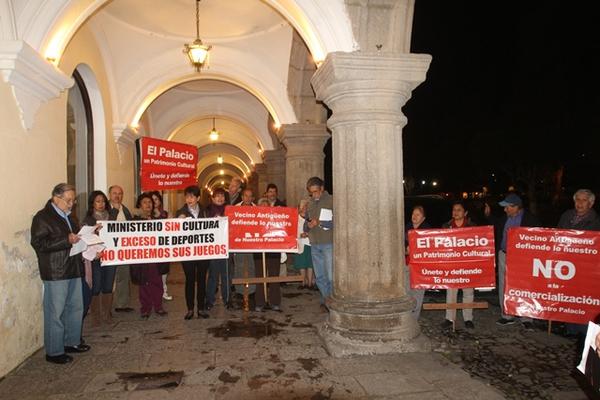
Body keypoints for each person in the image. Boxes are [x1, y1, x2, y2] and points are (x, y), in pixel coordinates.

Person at [30, 183, 90, 364]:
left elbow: (73, 240)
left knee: (75, 307)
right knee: (55, 312)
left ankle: (71, 341)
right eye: (68, 200)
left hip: (73, 268)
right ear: (56, 198)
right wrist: (66, 240)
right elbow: (39, 244)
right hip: (56, 271)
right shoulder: (43, 218)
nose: (72, 204)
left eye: (74, 200)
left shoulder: (69, 217)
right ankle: (54, 351)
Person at [489, 193, 540, 329]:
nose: (505, 210)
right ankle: (507, 315)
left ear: (516, 207)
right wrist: (488, 216)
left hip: (523, 258)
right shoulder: (503, 219)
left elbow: (538, 238)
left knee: (525, 286)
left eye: (507, 207)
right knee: (504, 285)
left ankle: (526, 317)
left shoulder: (530, 219)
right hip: (504, 255)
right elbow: (495, 229)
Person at [557, 189, 600, 338]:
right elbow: (557, 235)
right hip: (565, 263)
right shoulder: (566, 216)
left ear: (591, 203)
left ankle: (582, 328)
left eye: (583, 200)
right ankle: (569, 327)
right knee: (566, 294)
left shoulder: (596, 222)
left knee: (581, 296)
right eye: (577, 200)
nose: (579, 204)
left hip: (584, 267)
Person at [440, 201, 476, 330]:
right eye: (454, 210)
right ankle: (450, 318)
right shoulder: (446, 226)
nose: (456, 212)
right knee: (451, 292)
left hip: (467, 266)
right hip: (452, 265)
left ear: (465, 213)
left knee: (468, 292)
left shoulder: (472, 226)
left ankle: (468, 319)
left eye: (459, 210)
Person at [131, 192, 167, 319]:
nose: (148, 205)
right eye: (145, 202)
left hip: (157, 255)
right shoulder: (134, 220)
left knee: (157, 281)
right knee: (144, 282)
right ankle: (145, 308)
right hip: (142, 256)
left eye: (150, 202)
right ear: (140, 205)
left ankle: (158, 306)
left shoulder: (159, 219)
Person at [176, 185, 210, 319]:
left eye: (192, 196)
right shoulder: (181, 211)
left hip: (203, 252)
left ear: (198, 198)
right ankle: (190, 309)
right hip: (188, 252)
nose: (189, 199)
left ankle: (201, 308)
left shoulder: (206, 211)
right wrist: (179, 220)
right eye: (187, 196)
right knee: (190, 279)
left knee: (202, 279)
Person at [82, 190, 115, 326]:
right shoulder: (88, 220)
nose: (101, 204)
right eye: (97, 201)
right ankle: (95, 317)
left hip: (112, 256)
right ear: (92, 204)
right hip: (96, 258)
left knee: (108, 285)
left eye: (102, 201)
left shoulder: (111, 217)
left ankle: (106, 314)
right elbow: (85, 239)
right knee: (96, 286)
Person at [254, 184, 286, 312]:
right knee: (259, 276)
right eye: (262, 207)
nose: (264, 208)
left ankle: (275, 302)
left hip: (273, 250)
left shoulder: (276, 218)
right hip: (258, 251)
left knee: (274, 275)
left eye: (266, 206)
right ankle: (260, 302)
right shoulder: (254, 220)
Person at [305, 177, 333, 312]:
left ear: (322, 188)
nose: (314, 195)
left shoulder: (332, 200)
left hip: (328, 242)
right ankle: (327, 300)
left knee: (330, 275)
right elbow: (306, 222)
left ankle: (331, 301)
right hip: (314, 243)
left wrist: (320, 222)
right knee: (320, 276)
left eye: (316, 192)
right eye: (311, 193)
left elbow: (338, 221)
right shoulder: (309, 203)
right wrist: (307, 228)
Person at [108, 185, 134, 313]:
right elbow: (107, 224)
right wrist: (115, 211)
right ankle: (107, 306)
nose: (117, 196)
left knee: (123, 276)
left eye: (120, 193)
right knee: (109, 278)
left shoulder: (126, 210)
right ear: (109, 195)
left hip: (123, 249)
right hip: (109, 249)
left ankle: (122, 304)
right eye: (114, 193)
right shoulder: (106, 209)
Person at [404, 205, 431, 320]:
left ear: (423, 218)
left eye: (418, 214)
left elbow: (429, 249)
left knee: (418, 293)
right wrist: (406, 250)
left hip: (420, 267)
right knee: (406, 291)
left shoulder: (427, 230)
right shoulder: (406, 228)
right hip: (406, 264)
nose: (414, 216)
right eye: (413, 214)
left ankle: (414, 318)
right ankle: (405, 317)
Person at [206, 188, 230, 309]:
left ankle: (227, 299)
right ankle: (210, 300)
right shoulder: (207, 211)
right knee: (213, 275)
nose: (220, 198)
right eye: (217, 196)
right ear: (212, 198)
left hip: (226, 247)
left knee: (226, 275)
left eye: (222, 196)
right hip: (213, 247)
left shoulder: (230, 210)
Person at [233, 188, 257, 297]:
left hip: (252, 242)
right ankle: (239, 290)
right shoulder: (235, 208)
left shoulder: (257, 209)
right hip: (239, 243)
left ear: (252, 198)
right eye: (246, 196)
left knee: (251, 266)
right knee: (239, 266)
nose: (248, 198)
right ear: (242, 197)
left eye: (250, 196)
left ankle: (251, 289)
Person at [151, 191, 172, 301]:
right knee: (152, 271)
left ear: (160, 201)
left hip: (164, 246)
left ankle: (164, 290)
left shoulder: (165, 214)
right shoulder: (147, 215)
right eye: (152, 200)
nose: (154, 202)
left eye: (156, 199)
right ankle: (154, 292)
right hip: (151, 247)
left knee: (163, 270)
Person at [293, 199, 315, 289]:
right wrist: (300, 235)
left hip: (310, 243)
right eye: (303, 206)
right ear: (299, 208)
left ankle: (310, 283)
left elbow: (315, 229)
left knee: (310, 264)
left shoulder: (311, 217)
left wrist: (309, 234)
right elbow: (293, 231)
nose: (305, 208)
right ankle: (303, 282)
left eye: (306, 206)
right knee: (301, 264)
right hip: (300, 243)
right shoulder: (295, 218)